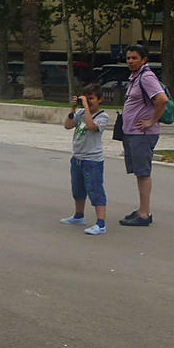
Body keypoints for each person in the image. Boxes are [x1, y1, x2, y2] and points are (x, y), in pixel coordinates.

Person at [119, 44, 168, 227]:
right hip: (133, 133)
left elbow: (162, 99)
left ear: (144, 59)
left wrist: (152, 121)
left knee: (143, 173)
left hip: (142, 134)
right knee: (139, 173)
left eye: (134, 58)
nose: (130, 61)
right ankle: (142, 209)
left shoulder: (146, 77)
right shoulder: (135, 77)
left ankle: (144, 214)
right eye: (128, 58)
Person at [60, 84, 109, 235]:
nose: (88, 101)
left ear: (100, 99)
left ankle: (101, 224)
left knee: (95, 190)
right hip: (78, 158)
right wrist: (73, 109)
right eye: (86, 99)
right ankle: (79, 215)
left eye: (91, 99)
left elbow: (91, 126)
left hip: (92, 160)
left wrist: (86, 108)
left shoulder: (103, 116)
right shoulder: (80, 112)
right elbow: (68, 125)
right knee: (77, 189)